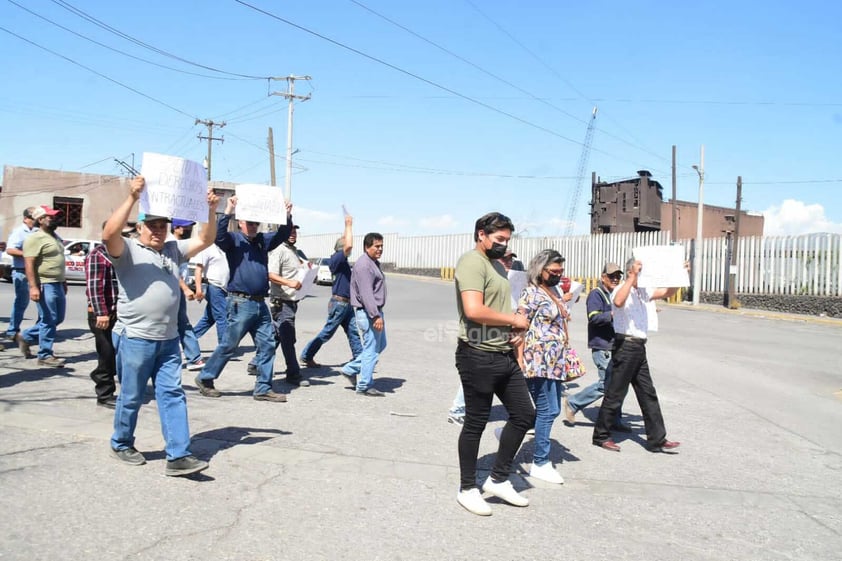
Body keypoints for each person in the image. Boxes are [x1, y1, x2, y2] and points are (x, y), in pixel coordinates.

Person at [103, 176, 219, 476]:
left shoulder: (172, 250)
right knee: (131, 395)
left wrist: (210, 210)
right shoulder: (127, 250)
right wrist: (131, 197)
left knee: (172, 394)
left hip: (168, 341)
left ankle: (178, 455)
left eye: (162, 225)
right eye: (151, 225)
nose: (157, 230)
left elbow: (205, 240)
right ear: (139, 227)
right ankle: (121, 442)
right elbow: (108, 234)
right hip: (136, 339)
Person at [453, 212, 535, 516]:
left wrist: (512, 328)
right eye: (499, 240)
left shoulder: (496, 266)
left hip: (501, 351)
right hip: (477, 353)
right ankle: (467, 488)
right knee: (476, 421)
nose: (504, 245)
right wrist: (513, 319)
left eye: (507, 240)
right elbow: (474, 310)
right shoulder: (472, 262)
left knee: (525, 414)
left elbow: (498, 306)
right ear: (481, 235)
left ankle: (498, 478)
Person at [194, 195, 294, 402]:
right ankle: (205, 378)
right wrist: (228, 210)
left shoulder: (262, 241)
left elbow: (282, 233)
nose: (253, 226)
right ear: (240, 223)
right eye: (249, 222)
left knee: (267, 344)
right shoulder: (233, 240)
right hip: (240, 303)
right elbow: (218, 235)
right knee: (229, 345)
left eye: (255, 223)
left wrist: (286, 214)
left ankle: (263, 388)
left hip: (259, 303)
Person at [592, 257, 682, 454]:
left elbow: (667, 292)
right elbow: (618, 301)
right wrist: (632, 276)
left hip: (639, 346)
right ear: (632, 271)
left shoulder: (643, 290)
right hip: (626, 345)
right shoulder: (622, 288)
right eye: (639, 271)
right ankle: (601, 435)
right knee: (615, 393)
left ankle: (657, 439)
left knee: (647, 393)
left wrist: (679, 275)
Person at [516, 249, 571, 485]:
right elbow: (519, 326)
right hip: (537, 360)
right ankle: (540, 462)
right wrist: (519, 359)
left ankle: (511, 432)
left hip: (555, 361)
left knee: (554, 409)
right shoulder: (531, 293)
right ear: (541, 270)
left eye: (561, 271)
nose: (559, 275)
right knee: (547, 410)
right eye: (554, 271)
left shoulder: (554, 290)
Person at [563, 262, 630, 431]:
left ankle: (615, 419)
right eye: (611, 276)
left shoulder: (616, 293)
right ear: (603, 277)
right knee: (606, 384)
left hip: (616, 345)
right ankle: (573, 402)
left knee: (618, 384)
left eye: (618, 276)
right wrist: (614, 314)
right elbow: (594, 317)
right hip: (602, 346)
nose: (615, 279)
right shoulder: (596, 294)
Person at [299, 214, 362, 368]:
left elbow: (345, 244)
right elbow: (347, 246)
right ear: (342, 249)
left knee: (353, 332)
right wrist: (348, 226)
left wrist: (345, 231)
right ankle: (307, 355)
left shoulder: (342, 260)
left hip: (346, 304)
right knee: (327, 332)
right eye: (347, 248)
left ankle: (361, 359)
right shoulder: (337, 259)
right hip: (339, 303)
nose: (350, 249)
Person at [84, 221, 129, 408]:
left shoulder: (123, 254)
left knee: (120, 352)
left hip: (120, 313)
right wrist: (101, 313)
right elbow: (95, 287)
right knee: (107, 353)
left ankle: (118, 385)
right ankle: (104, 393)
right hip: (103, 314)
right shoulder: (98, 255)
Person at [19, 205, 66, 367]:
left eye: (55, 217)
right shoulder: (34, 238)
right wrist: (33, 287)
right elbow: (29, 263)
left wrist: (64, 281)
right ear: (40, 220)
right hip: (45, 283)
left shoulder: (55, 237)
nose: (55, 219)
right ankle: (45, 354)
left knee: (58, 318)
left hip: (57, 283)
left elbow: (58, 262)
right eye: (51, 217)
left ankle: (26, 336)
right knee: (49, 319)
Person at [340, 232, 387, 397]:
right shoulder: (364, 265)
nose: (380, 249)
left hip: (373, 312)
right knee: (371, 349)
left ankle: (349, 369)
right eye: (377, 246)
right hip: (369, 313)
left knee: (379, 346)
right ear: (367, 247)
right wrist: (375, 315)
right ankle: (365, 385)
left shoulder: (372, 263)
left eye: (381, 246)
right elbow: (367, 294)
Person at [267, 224, 309, 387]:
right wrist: (289, 283)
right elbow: (271, 274)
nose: (293, 234)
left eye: (295, 231)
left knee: (277, 336)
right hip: (281, 301)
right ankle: (293, 373)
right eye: (290, 231)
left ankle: (256, 363)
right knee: (288, 337)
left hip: (292, 301)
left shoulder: (293, 251)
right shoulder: (279, 250)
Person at [170, 219, 204, 371]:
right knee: (182, 324)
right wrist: (184, 288)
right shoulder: (170, 244)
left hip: (177, 289)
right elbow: (171, 270)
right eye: (186, 227)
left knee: (181, 324)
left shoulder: (181, 244)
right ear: (176, 228)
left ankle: (191, 357)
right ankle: (193, 358)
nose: (189, 229)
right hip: (173, 289)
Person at [4, 207, 38, 345]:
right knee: (21, 302)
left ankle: (38, 330)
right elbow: (10, 249)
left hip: (36, 272)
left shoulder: (38, 231)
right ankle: (13, 331)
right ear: (26, 218)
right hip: (21, 271)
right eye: (33, 217)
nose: (36, 220)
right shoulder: (19, 232)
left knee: (43, 303)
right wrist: (28, 254)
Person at [191, 242, 230, 347]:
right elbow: (198, 270)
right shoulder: (207, 247)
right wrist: (198, 289)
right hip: (214, 287)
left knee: (209, 319)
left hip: (224, 289)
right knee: (222, 317)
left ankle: (189, 339)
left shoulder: (225, 247)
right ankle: (224, 348)